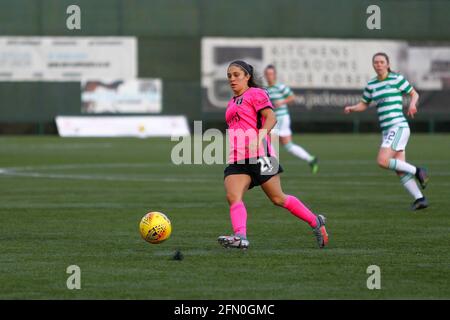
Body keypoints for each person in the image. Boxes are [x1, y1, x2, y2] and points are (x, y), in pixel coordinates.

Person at [218, 60, 328, 250]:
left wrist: (258, 137)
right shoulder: (232, 102)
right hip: (237, 157)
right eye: (229, 76)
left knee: (278, 198)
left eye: (236, 75)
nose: (232, 79)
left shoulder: (256, 93)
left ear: (247, 77)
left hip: (262, 155)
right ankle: (240, 236)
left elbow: (271, 118)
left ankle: (315, 221)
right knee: (233, 196)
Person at [344, 52, 429, 210]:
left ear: (388, 64)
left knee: (382, 161)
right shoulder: (372, 84)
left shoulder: (396, 79)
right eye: (376, 62)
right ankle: (420, 199)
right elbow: (364, 104)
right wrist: (352, 108)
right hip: (387, 130)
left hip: (398, 126)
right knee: (399, 168)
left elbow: (414, 93)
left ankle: (418, 171)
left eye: (382, 62)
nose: (379, 64)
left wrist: (412, 104)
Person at [264, 65, 319, 173]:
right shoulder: (266, 89)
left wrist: (281, 102)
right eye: (267, 74)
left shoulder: (280, 87)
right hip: (277, 118)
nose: (269, 76)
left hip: (280, 118)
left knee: (269, 141)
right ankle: (310, 159)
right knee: (287, 145)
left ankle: (271, 169)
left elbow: (292, 97)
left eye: (271, 74)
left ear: (274, 75)